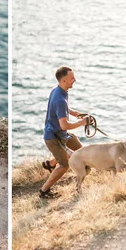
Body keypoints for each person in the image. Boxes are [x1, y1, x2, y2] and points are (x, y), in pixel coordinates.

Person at [39, 66, 90, 199]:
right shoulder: (60, 99)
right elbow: (64, 125)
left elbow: (63, 107)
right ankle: (44, 191)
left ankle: (49, 164)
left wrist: (74, 113)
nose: (75, 80)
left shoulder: (58, 91)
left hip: (62, 135)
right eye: (71, 78)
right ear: (63, 81)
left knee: (83, 153)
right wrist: (82, 123)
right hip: (54, 138)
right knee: (64, 165)